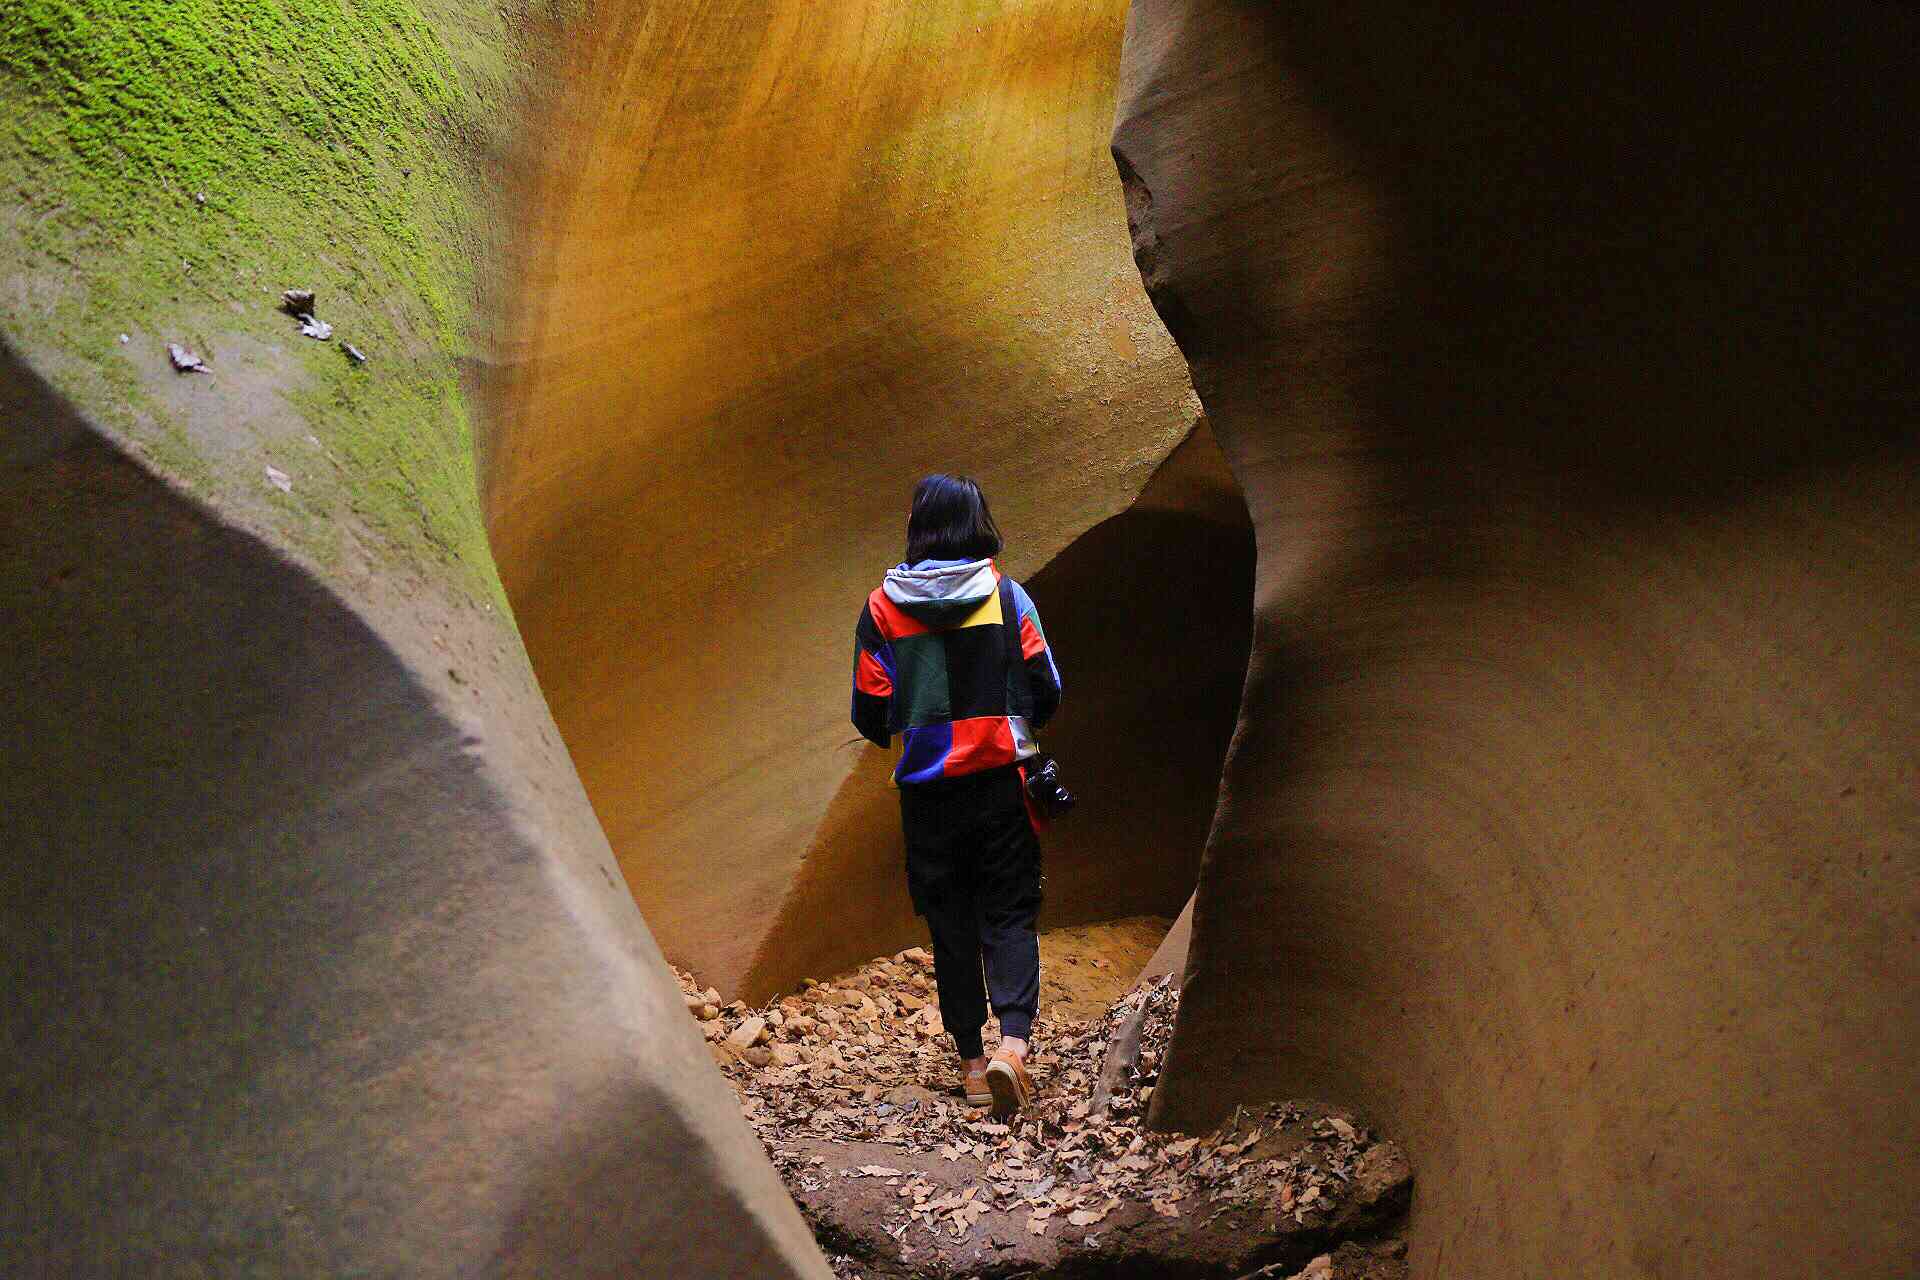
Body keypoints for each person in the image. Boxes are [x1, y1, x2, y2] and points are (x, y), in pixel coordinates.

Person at [850, 474, 1063, 1117]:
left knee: (950, 923)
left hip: (928, 798)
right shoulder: (1006, 596)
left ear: (917, 527)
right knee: (1008, 911)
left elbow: (869, 709)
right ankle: (1013, 1049)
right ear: (977, 522)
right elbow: (1045, 685)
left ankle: (972, 1066)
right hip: (1000, 785)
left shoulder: (881, 610)